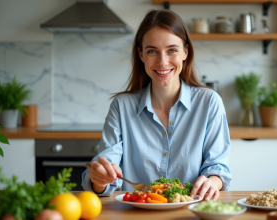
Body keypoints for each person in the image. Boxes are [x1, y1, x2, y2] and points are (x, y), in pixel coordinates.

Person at [82, 9, 231, 201]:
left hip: (190, 213)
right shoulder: (121, 106)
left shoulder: (210, 102)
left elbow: (218, 168)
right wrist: (100, 178)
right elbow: (104, 170)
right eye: (152, 51)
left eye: (172, 50)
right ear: (141, 55)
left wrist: (213, 181)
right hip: (135, 213)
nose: (162, 62)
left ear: (185, 52)